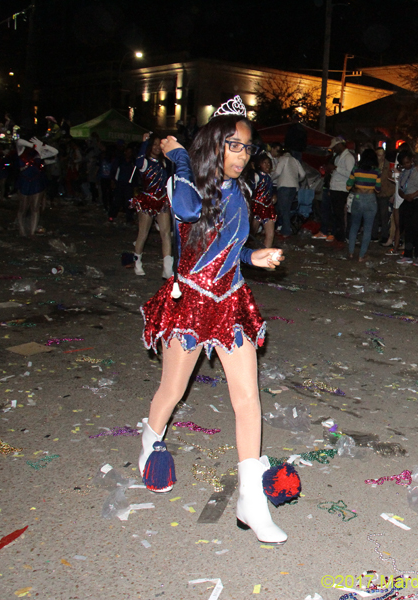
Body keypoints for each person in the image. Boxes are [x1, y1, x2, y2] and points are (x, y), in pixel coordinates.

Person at [137, 96, 295, 544]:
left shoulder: (240, 193)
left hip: (230, 301)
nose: (242, 155)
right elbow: (186, 212)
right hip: (190, 303)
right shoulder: (187, 184)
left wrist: (253, 256)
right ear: (214, 146)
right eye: (233, 145)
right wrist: (182, 159)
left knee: (248, 399)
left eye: (247, 147)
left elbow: (229, 248)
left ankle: (251, 501)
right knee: (173, 390)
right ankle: (151, 441)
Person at [131, 133, 174, 278]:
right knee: (143, 234)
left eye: (158, 145)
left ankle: (167, 269)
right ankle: (137, 262)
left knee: (166, 233)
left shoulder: (164, 163)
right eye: (153, 145)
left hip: (162, 200)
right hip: (147, 200)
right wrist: (144, 143)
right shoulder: (144, 163)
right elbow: (137, 163)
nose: (156, 148)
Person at [15, 135, 56, 237]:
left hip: (36, 182)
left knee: (35, 208)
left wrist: (42, 145)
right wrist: (34, 145)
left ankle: (32, 232)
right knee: (23, 208)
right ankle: (22, 230)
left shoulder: (40, 154)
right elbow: (19, 141)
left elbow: (55, 152)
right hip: (24, 182)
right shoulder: (21, 151)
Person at [395, 149, 418, 266]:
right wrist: (405, 196)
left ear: (412, 160)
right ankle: (408, 254)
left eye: (408, 162)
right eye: (404, 163)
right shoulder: (404, 173)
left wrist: (413, 195)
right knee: (408, 228)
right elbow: (400, 189)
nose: (407, 165)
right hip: (408, 202)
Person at [345, 148, 381, 261]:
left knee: (354, 226)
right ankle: (362, 255)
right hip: (370, 199)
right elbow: (378, 189)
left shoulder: (356, 169)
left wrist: (357, 186)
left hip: (358, 198)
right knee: (367, 228)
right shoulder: (377, 171)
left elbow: (348, 186)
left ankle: (351, 253)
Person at [271, 144, 305, 238]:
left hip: (284, 186)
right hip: (294, 187)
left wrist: (270, 179)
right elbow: (303, 174)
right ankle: (285, 228)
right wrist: (296, 180)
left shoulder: (282, 159)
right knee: (288, 208)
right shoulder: (295, 160)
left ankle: (286, 230)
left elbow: (277, 172)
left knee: (283, 209)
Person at [327, 136, 355, 243]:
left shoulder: (348, 157)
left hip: (342, 189)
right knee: (336, 214)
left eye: (335, 147)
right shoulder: (338, 157)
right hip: (336, 188)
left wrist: (335, 168)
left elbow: (350, 174)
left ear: (339, 145)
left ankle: (342, 236)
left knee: (341, 214)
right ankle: (339, 235)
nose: (334, 150)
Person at [250, 153, 276, 248]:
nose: (267, 165)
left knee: (270, 234)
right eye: (264, 163)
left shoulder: (268, 177)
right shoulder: (256, 176)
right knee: (252, 233)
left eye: (269, 163)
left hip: (268, 207)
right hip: (257, 207)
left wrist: (273, 195)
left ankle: (265, 256)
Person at [375, 147, 396, 246]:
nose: (381, 157)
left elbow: (393, 180)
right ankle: (374, 234)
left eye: (382, 154)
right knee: (375, 214)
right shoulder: (374, 165)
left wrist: (392, 194)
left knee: (384, 216)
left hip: (385, 193)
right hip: (376, 193)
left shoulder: (389, 166)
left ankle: (384, 235)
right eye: (379, 155)